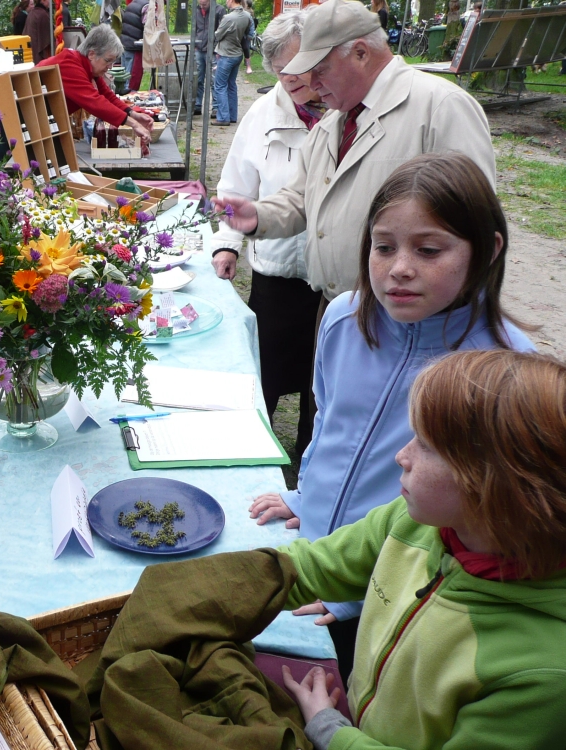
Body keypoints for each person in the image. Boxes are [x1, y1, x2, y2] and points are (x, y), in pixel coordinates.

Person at [248, 153, 535, 682]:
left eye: (428, 249)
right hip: (314, 557)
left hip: (392, 591)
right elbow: (329, 426)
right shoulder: (342, 319)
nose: (399, 267)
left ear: (488, 251)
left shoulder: (502, 370)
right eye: (384, 247)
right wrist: (304, 495)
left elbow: (481, 519)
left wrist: (361, 596)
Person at [279, 348, 566, 750]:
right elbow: (313, 566)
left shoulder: (543, 674)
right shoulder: (417, 522)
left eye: (427, 445)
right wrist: (216, 585)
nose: (402, 455)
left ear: (498, 485)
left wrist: (332, 732)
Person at [213, 0, 495, 308]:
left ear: (361, 53)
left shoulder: (440, 106)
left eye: (319, 70)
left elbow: (476, 222)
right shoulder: (333, 121)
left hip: (412, 317)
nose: (313, 83)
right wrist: (257, 216)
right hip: (336, 308)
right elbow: (302, 198)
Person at [211, 9, 325, 454]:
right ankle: (254, 451)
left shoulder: (344, 111)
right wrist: (227, 246)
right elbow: (236, 185)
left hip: (332, 281)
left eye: (298, 70)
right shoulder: (263, 112)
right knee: (268, 373)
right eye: (280, 73)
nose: (290, 82)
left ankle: (307, 460)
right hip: (277, 272)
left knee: (323, 385)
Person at [37, 24, 153, 140]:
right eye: (108, 61)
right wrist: (134, 124)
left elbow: (107, 96)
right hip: (30, 118)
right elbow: (95, 102)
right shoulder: (69, 64)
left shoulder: (86, 66)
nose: (110, 67)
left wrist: (134, 115)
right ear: (92, 54)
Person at [211, 0, 250, 124]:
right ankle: (232, 116)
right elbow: (247, 34)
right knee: (231, 85)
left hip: (226, 54)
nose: (226, 2)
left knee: (220, 85)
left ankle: (223, 117)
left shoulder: (228, 18)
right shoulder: (247, 16)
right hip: (238, 54)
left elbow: (217, 35)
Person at [192, 0, 226, 115]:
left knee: (214, 79)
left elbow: (222, 30)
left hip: (213, 50)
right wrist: (195, 45)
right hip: (199, 48)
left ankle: (215, 107)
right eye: (201, 4)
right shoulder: (196, 10)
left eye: (205, 4)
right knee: (198, 78)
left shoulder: (219, 10)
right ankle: (197, 104)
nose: (202, 6)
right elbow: (195, 28)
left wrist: (217, 47)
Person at [120, 0, 148, 92]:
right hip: (135, 47)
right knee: (131, 83)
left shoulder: (133, 4)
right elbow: (149, 27)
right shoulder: (147, 6)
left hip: (125, 45)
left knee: (123, 80)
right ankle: (130, 104)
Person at [242, 0, 256, 74]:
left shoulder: (247, 12)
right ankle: (246, 63)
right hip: (245, 33)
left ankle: (247, 64)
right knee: (246, 48)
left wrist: (250, 34)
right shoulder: (251, 11)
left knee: (246, 48)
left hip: (246, 33)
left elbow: (251, 24)